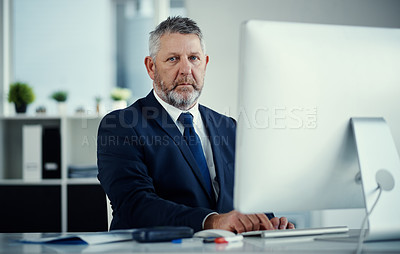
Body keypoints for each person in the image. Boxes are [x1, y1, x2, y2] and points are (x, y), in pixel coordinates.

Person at [97, 16, 295, 233]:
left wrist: (267, 222)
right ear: (151, 67)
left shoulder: (229, 127)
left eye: (193, 58)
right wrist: (211, 221)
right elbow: (134, 205)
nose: (186, 69)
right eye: (173, 59)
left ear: (205, 64)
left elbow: (251, 200)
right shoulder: (121, 126)